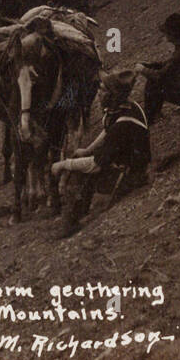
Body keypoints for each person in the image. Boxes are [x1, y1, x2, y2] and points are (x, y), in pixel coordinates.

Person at [52, 70, 150, 236]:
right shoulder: (127, 107)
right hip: (129, 163)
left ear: (112, 95)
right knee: (82, 160)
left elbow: (96, 165)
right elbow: (107, 129)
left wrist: (64, 164)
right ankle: (81, 210)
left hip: (131, 173)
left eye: (103, 90)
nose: (98, 93)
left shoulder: (123, 124)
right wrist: (88, 149)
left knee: (80, 171)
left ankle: (71, 223)